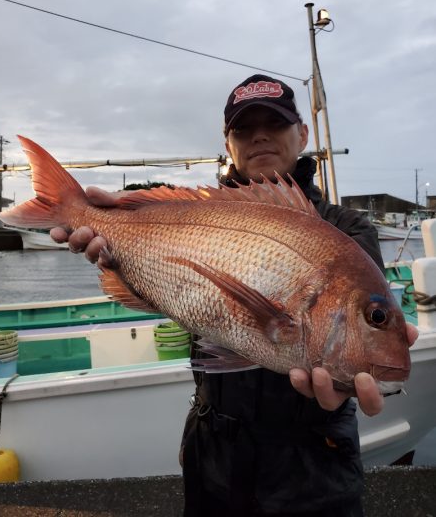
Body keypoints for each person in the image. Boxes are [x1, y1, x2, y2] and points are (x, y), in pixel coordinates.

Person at [51, 74, 417, 517]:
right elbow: (172, 281)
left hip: (314, 467)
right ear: (228, 143)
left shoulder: (347, 233)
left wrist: (353, 379)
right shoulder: (198, 210)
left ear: (302, 134)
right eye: (244, 128)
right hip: (214, 457)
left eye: (275, 123)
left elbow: (359, 327)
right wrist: (112, 240)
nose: (259, 135)